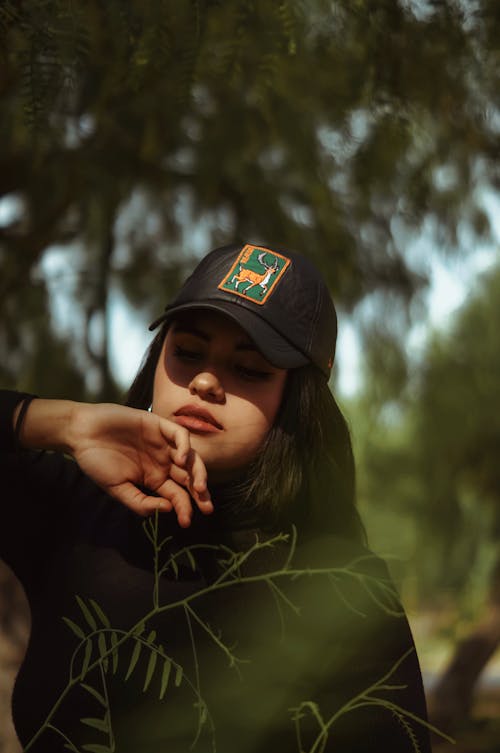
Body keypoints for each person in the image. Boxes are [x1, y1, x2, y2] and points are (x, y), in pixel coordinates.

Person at [0, 242, 432, 753]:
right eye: (186, 352)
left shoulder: (339, 587)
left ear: (297, 402)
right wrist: (64, 423)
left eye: (248, 369)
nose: (204, 381)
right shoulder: (74, 509)